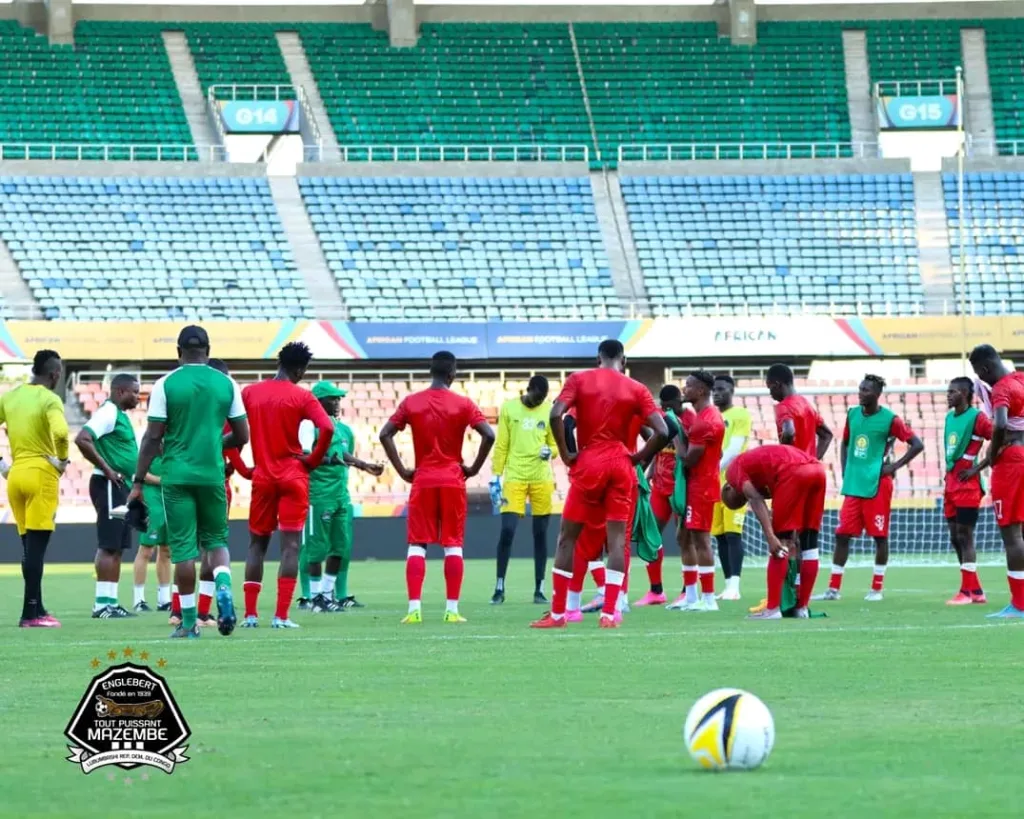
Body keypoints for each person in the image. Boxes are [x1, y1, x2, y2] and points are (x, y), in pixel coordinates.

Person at [531, 339, 667, 629]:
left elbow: (556, 415)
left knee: (568, 538)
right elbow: (664, 430)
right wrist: (638, 458)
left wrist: (566, 454)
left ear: (598, 359)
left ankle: (559, 614)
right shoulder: (637, 389)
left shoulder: (579, 380)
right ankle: (610, 612)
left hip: (589, 462)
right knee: (618, 541)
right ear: (624, 361)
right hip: (622, 465)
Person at [129, 326, 249, 639]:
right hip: (212, 475)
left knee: (183, 550)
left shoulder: (165, 384)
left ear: (178, 352)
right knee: (216, 542)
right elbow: (242, 435)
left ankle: (188, 623)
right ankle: (223, 585)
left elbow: (152, 437)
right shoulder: (227, 383)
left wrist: (138, 481)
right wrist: (215, 444)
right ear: (208, 350)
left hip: (177, 477)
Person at [379, 351, 495, 624]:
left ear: (430, 371)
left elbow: (385, 434)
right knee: (453, 545)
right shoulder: (463, 404)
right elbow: (488, 434)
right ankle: (451, 610)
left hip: (423, 480)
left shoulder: (411, 402)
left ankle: (414, 610)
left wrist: (402, 470)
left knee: (417, 545)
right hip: (453, 480)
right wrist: (473, 469)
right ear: (452, 374)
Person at [241, 343, 334, 629]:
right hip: (293, 476)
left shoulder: (250, 393)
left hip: (263, 477)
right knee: (291, 547)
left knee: (256, 546)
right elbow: (328, 427)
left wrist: (243, 468)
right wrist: (313, 461)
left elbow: (228, 430)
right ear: (300, 369)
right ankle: (281, 616)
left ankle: (250, 615)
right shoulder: (302, 395)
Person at [814, 374, 923, 602]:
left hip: (877, 486)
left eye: (866, 390)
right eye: (860, 389)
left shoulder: (890, 419)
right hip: (854, 485)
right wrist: (845, 469)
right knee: (842, 535)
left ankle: (876, 589)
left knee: (879, 537)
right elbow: (845, 443)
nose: (861, 393)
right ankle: (833, 589)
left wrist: (893, 466)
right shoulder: (852, 414)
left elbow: (917, 444)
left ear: (877, 394)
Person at [299, 381, 383, 613]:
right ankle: (313, 597)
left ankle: (327, 595)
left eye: (339, 398)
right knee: (315, 550)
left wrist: (363, 465)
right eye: (332, 398)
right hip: (318, 495)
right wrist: (329, 460)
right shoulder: (309, 425)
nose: (337, 402)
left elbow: (342, 454)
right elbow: (304, 458)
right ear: (319, 401)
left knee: (340, 547)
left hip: (340, 496)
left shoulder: (337, 427)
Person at [0, 349, 69, 628]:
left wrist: (1, 464)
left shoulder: (10, 397)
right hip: (41, 474)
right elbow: (61, 433)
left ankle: (37, 607)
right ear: (54, 374)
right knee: (36, 550)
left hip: (15, 475)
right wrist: (62, 461)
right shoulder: (50, 399)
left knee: (28, 548)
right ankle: (30, 614)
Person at [722, 445, 827, 620]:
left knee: (780, 542)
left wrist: (770, 536)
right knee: (809, 543)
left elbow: (755, 498)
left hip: (793, 471)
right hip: (817, 470)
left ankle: (772, 609)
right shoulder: (758, 476)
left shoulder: (733, 471)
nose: (742, 500)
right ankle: (801, 608)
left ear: (728, 488)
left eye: (738, 499)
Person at [75, 373, 141, 618]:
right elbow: (83, 438)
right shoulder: (109, 412)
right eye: (134, 392)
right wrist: (107, 469)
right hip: (109, 484)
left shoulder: (118, 414)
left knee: (118, 546)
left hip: (119, 485)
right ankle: (101, 605)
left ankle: (110, 602)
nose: (138, 397)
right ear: (121, 391)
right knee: (109, 544)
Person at [489, 375, 557, 605]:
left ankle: (539, 589)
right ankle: (499, 587)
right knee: (507, 530)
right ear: (528, 390)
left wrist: (550, 451)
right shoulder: (509, 409)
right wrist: (496, 475)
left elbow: (555, 445)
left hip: (541, 479)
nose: (539, 402)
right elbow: (502, 445)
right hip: (515, 478)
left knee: (540, 533)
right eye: (536, 397)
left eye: (542, 399)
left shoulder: (549, 410)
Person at [969, 344, 1024, 618]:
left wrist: (992, 454)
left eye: (979, 374)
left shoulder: (1002, 388)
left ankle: (1020, 604)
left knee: (1011, 534)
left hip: (1011, 462)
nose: (981, 379)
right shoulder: (1020, 379)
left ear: (985, 368)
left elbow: (1000, 424)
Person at [667, 370, 725, 612]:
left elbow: (689, 459)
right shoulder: (705, 417)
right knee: (683, 537)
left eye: (689, 385)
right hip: (694, 485)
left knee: (701, 540)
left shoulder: (705, 421)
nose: (684, 389)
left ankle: (709, 599)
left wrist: (675, 435)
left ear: (701, 390)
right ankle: (690, 596)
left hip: (702, 487)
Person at [635, 385, 688, 607]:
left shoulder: (690, 419)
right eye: (664, 407)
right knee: (651, 535)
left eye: (669, 406)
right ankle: (656, 590)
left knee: (684, 538)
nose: (666, 410)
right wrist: (649, 473)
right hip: (659, 486)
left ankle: (688, 590)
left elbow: (688, 453)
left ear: (678, 402)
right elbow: (658, 447)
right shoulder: (662, 419)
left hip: (680, 487)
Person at [942, 377, 991, 605]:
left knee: (965, 535)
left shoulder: (977, 418)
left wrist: (977, 468)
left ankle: (966, 592)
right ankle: (975, 590)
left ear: (963, 393)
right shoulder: (949, 418)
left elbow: (999, 438)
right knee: (955, 537)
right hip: (951, 483)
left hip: (968, 485)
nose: (948, 395)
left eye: (952, 392)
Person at [710, 374, 752, 601]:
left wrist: (712, 469)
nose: (716, 393)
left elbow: (735, 448)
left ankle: (735, 586)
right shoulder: (711, 416)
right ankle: (727, 585)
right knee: (719, 536)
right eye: (714, 390)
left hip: (733, 483)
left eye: (721, 389)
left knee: (733, 533)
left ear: (731, 391)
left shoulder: (740, 414)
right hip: (712, 484)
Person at [135, 441, 173, 615]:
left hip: (169, 497)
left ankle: (164, 599)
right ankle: (139, 600)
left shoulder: (175, 444)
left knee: (166, 549)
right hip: (153, 496)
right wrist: (163, 480)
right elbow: (140, 473)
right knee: (146, 549)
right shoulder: (150, 444)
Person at [766, 363, 833, 459]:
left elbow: (789, 432)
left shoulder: (783, 407)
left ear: (777, 385)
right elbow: (827, 435)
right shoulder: (806, 404)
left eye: (770, 387)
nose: (770, 393)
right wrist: (813, 460)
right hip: (810, 467)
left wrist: (784, 456)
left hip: (794, 466)